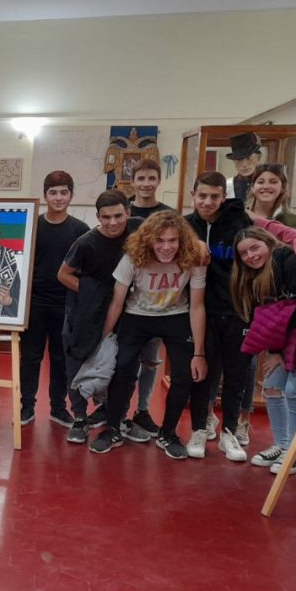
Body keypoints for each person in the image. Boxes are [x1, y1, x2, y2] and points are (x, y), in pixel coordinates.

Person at [89, 212, 207, 459]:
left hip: (176, 315)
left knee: (184, 376)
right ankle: (113, 428)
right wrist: (104, 339)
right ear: (149, 241)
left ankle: (168, 432)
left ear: (181, 241)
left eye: (173, 240)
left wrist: (199, 352)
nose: (166, 247)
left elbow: (197, 306)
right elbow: (117, 303)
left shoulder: (194, 258)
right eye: (160, 240)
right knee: (122, 368)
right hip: (137, 315)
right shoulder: (133, 257)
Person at [230, 216, 296, 475]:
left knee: (295, 390)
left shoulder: (290, 262)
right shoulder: (256, 278)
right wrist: (276, 349)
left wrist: (281, 330)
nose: (251, 255)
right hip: (288, 339)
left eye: (255, 248)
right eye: (244, 253)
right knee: (272, 387)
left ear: (268, 244)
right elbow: (271, 315)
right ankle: (282, 444)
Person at [57, 190, 143, 444]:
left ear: (128, 213)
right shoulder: (86, 242)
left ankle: (116, 416)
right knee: (78, 361)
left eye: (118, 215)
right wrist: (92, 294)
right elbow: (63, 275)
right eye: (106, 217)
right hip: (84, 313)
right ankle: (80, 418)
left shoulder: (138, 229)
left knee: (124, 365)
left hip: (126, 311)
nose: (113, 222)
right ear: (98, 217)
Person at [183, 171, 253, 461]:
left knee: (236, 376)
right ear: (193, 196)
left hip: (237, 312)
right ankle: (199, 428)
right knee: (201, 375)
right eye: (202, 196)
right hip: (201, 312)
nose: (208, 202)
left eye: (214, 196)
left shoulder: (241, 224)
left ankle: (229, 434)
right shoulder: (186, 226)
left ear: (224, 197)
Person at [19, 171, 87, 426]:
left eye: (64, 192)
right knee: (31, 356)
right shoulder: (32, 226)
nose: (58, 198)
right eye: (53, 192)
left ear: (71, 195)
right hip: (34, 303)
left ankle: (59, 408)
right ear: (45, 195)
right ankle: (26, 406)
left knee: (61, 359)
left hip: (66, 305)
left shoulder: (81, 231)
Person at [125, 158, 175, 437]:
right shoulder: (123, 212)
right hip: (127, 296)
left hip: (156, 297)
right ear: (133, 182)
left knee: (151, 358)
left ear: (158, 181)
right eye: (141, 179)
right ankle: (117, 409)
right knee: (125, 357)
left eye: (151, 178)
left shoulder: (168, 214)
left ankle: (142, 410)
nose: (146, 184)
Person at [247, 163, 296, 229]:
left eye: (273, 182)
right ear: (252, 187)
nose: (266, 186)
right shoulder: (238, 215)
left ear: (283, 188)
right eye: (260, 182)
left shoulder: (294, 223)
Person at [225, 132, 262, 202]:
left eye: (249, 158)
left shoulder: (269, 185)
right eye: (239, 159)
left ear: (259, 158)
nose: (244, 164)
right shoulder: (226, 186)